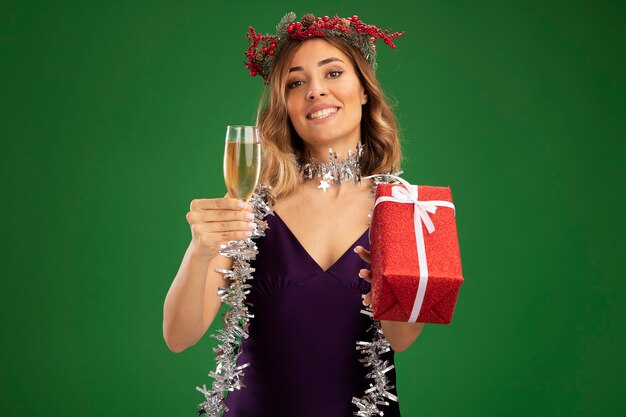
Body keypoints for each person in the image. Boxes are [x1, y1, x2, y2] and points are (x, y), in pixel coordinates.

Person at [163, 12, 424, 416]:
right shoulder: (251, 204)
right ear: (285, 105)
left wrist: (387, 290)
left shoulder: (405, 209)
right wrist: (199, 251)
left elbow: (402, 339)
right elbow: (179, 336)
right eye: (296, 82)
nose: (316, 92)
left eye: (333, 73)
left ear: (364, 89)